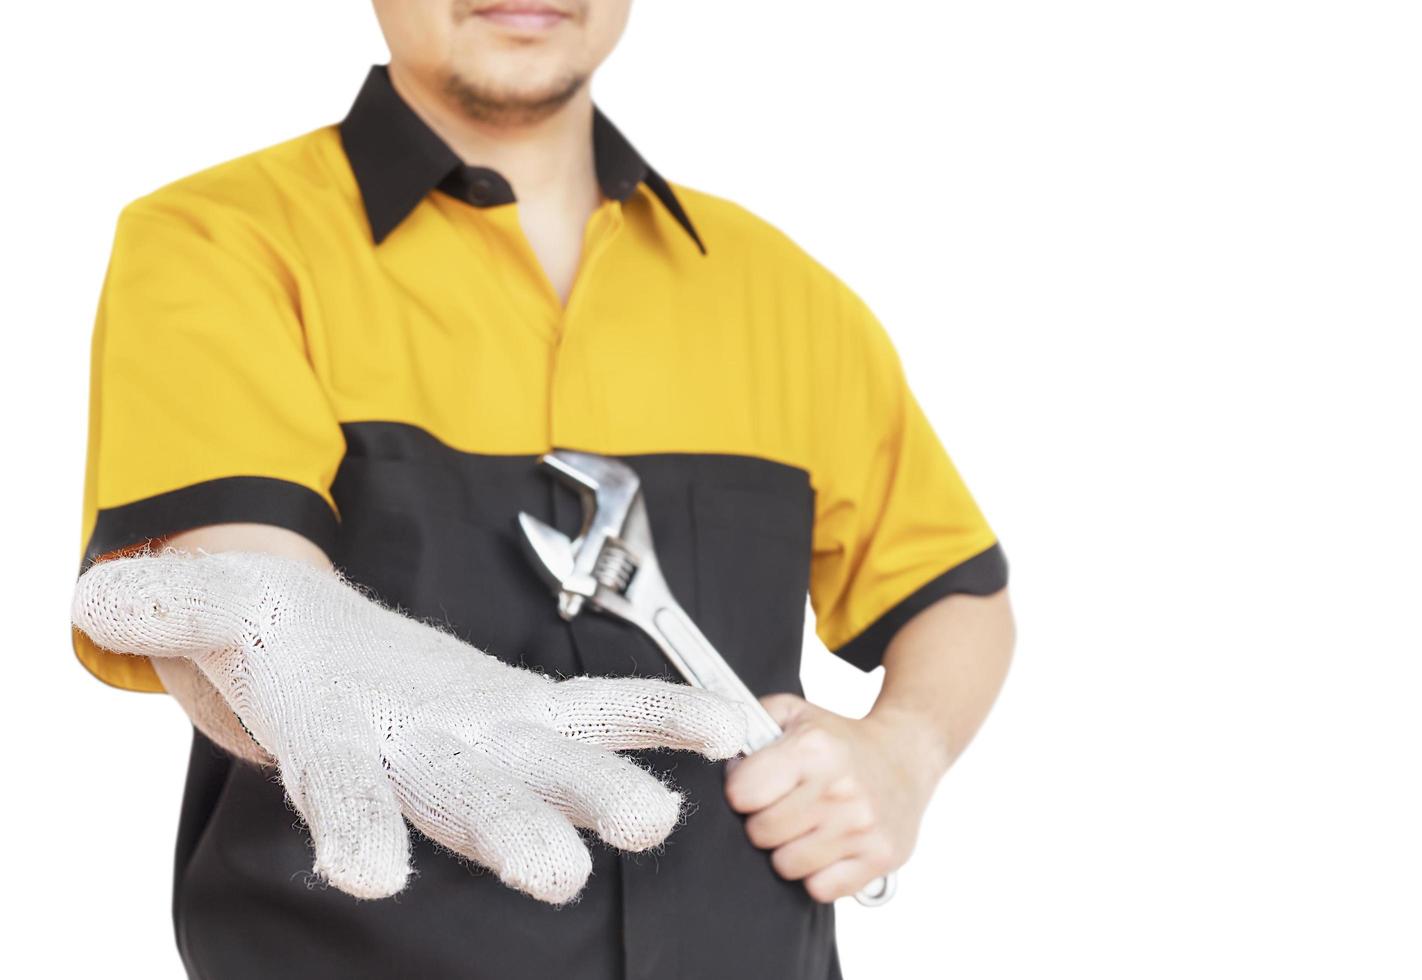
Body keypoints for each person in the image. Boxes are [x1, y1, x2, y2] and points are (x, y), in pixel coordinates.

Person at [71, 2, 1017, 977]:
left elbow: (956, 592)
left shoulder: (787, 296)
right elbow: (240, 583)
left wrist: (904, 750)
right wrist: (296, 643)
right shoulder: (217, 246)